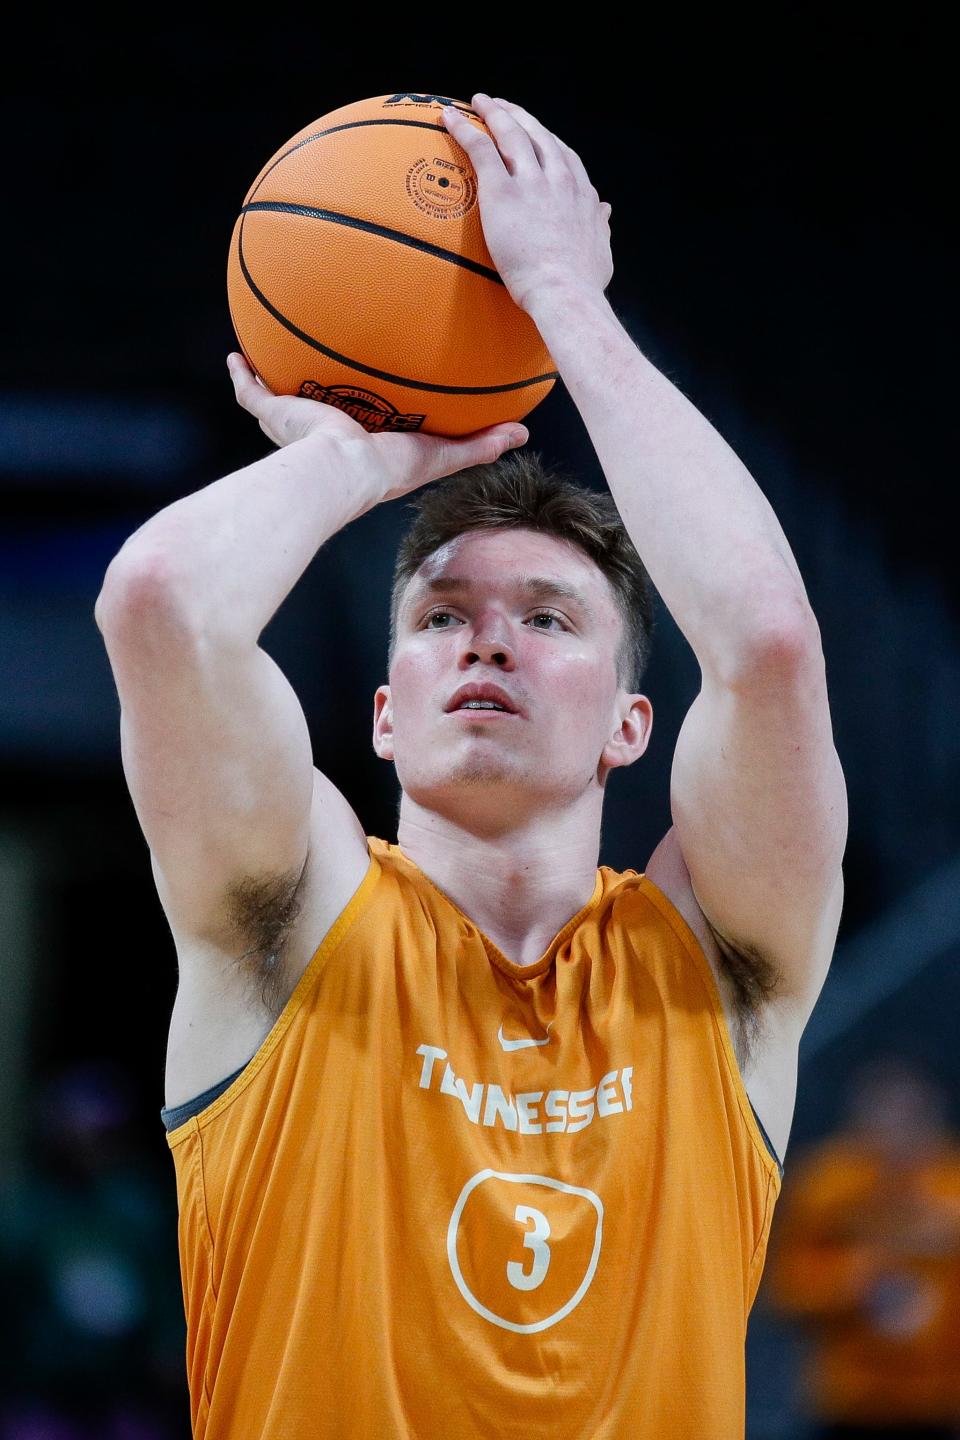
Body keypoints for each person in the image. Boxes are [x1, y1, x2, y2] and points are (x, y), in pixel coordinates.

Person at [94, 92, 848, 1439]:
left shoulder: (720, 955)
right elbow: (159, 605)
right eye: (443, 615)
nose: (487, 637)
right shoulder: (289, 918)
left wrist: (566, 302)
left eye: (549, 620)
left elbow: (771, 647)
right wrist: (353, 455)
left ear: (630, 728)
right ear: (385, 713)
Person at [765, 1052, 960, 1438]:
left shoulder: (951, 1184)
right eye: (884, 1112)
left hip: (939, 1402)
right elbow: (787, 1288)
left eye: (910, 1114)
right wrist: (859, 1277)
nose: (897, 1129)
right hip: (849, 1400)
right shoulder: (828, 1185)